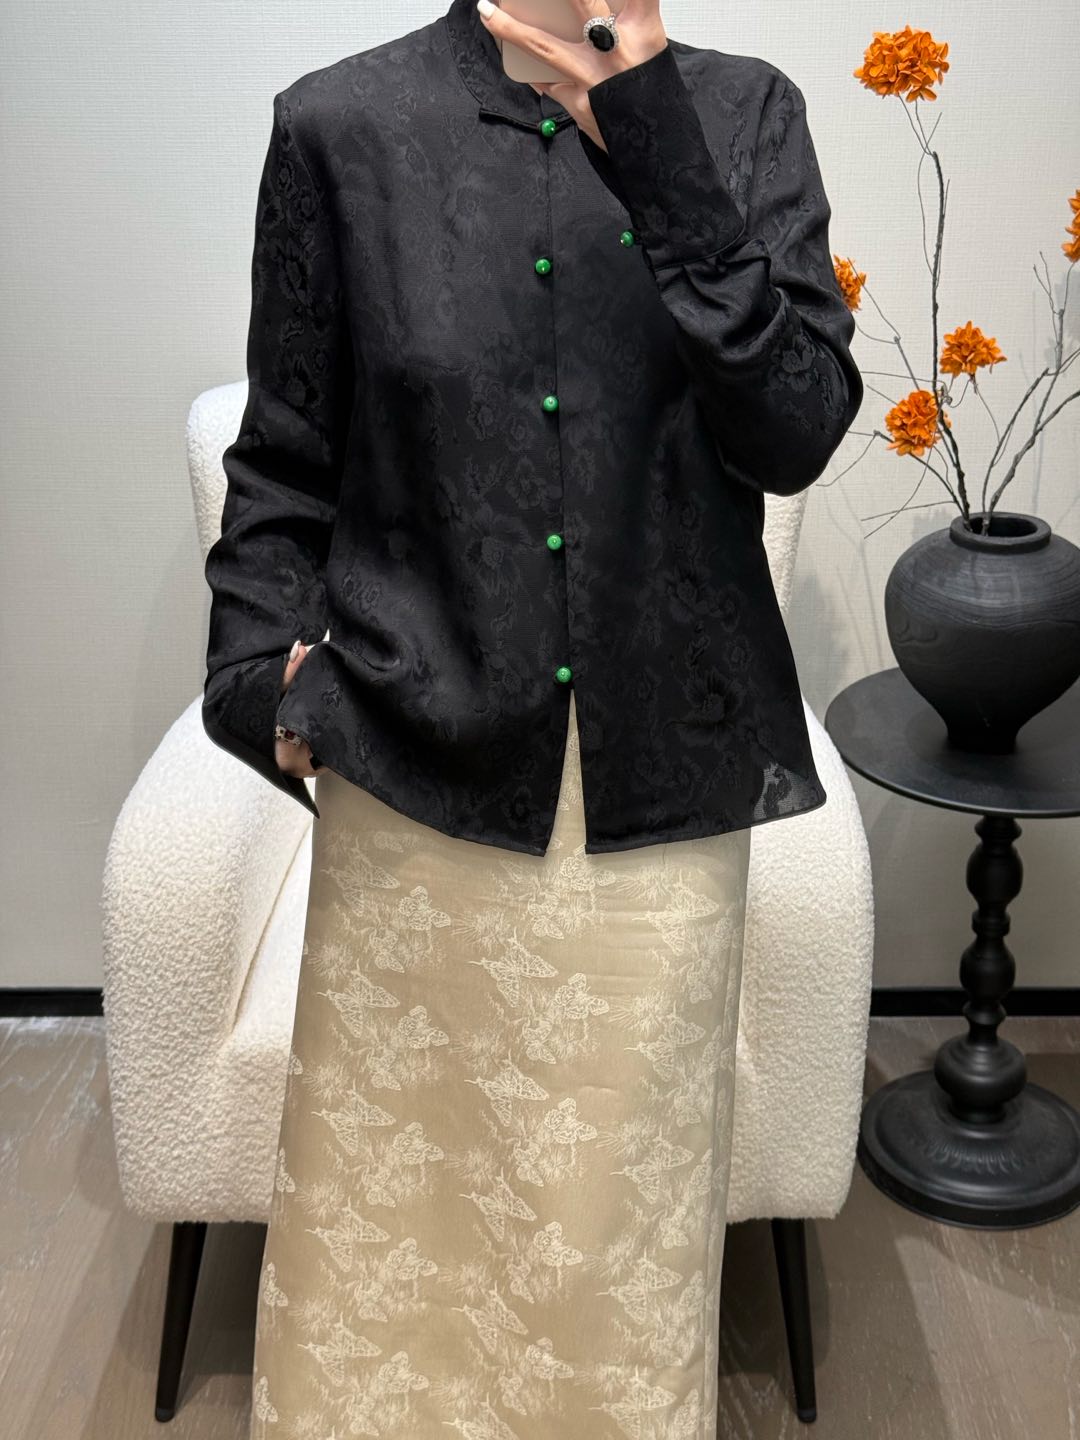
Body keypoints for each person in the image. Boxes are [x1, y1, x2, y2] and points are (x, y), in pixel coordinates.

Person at [204, 2, 863, 1436]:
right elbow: (285, 460)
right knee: (394, 1231)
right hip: (409, 769)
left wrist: (657, 137)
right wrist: (264, 686)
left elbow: (797, 425)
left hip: (660, 795)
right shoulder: (340, 126)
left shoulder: (742, 116)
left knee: (614, 1240)